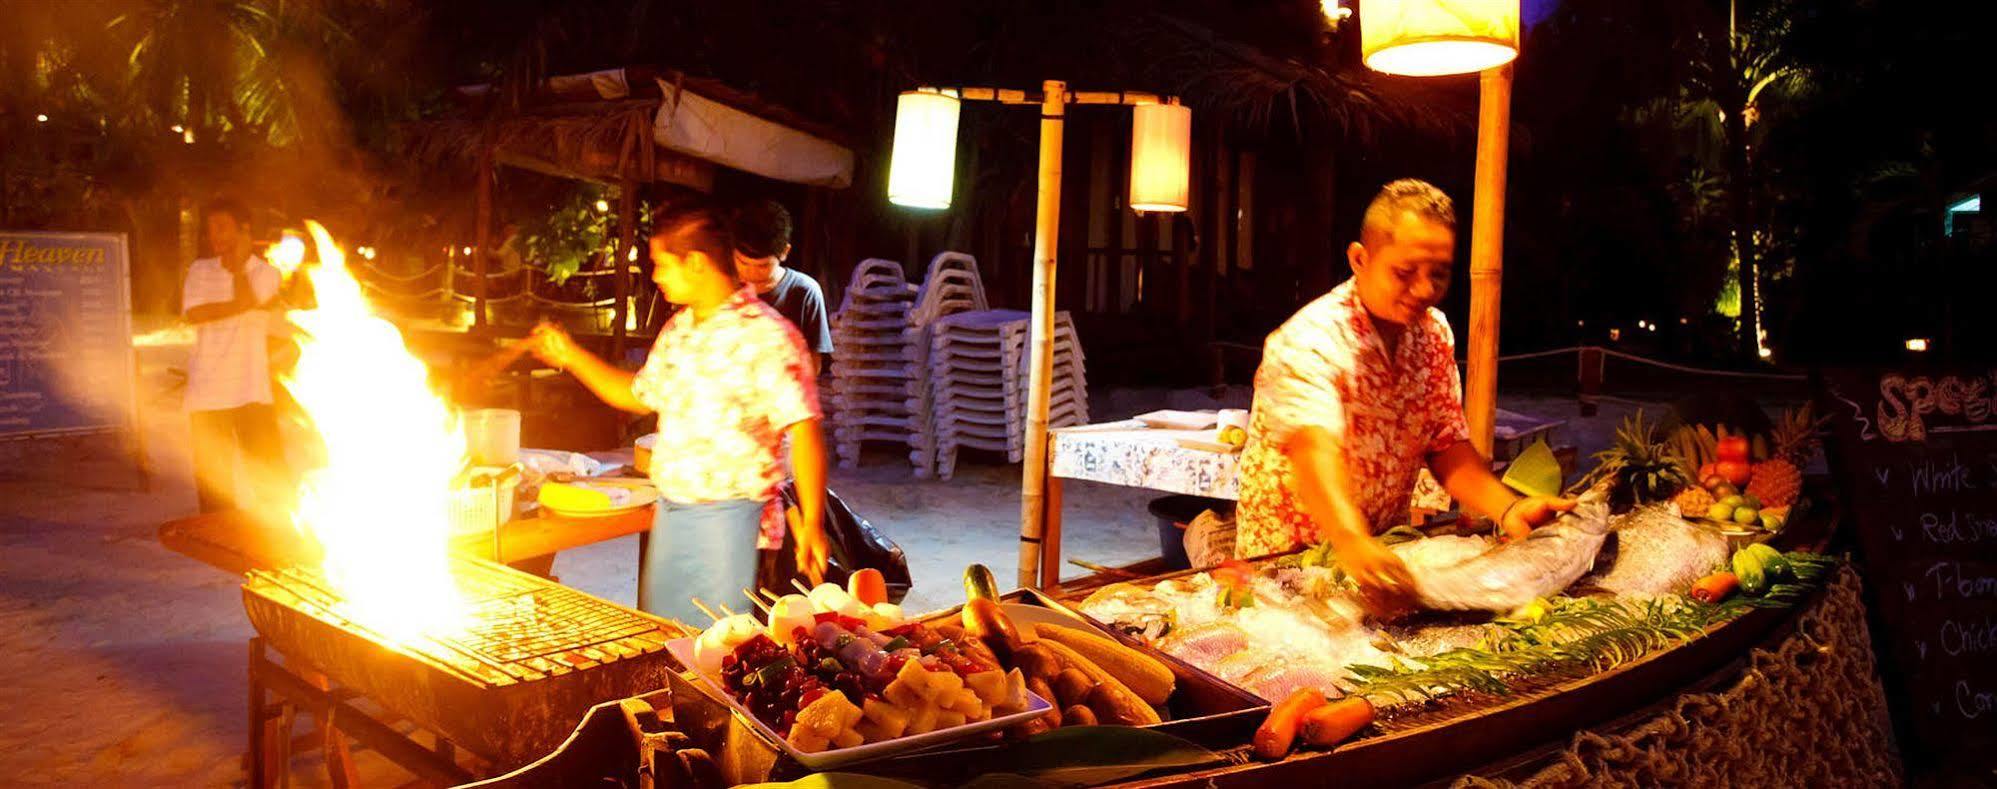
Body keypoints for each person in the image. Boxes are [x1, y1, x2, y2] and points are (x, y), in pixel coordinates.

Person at [1235, 179, 1575, 610]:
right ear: (1361, 259)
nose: (1424, 290)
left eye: (1439, 274)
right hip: (1285, 566)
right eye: (1404, 272)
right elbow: (1313, 450)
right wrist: (1349, 538)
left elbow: (1445, 443)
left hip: (1381, 559)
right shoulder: (1310, 340)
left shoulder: (1432, 335)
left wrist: (1508, 509)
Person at [526, 208, 830, 623]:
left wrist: (812, 521)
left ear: (696, 263)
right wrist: (571, 356)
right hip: (672, 511)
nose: (655, 276)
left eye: (660, 264)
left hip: (734, 521)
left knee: (721, 651)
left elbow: (805, 428)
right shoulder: (679, 332)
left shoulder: (769, 336)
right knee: (666, 639)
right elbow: (637, 395)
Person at [182, 197, 285, 515]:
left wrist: (239, 271)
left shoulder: (267, 273)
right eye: (210, 229)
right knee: (215, 487)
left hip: (252, 391)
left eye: (222, 227)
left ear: (244, 230)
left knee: (271, 481)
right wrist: (239, 306)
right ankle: (218, 548)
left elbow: (245, 301)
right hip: (207, 394)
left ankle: (279, 544)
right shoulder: (200, 270)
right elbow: (195, 315)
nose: (214, 236)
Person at [728, 200, 832, 375]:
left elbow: (813, 365)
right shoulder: (722, 288)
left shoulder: (805, 292)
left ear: (785, 252)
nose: (751, 273)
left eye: (763, 266)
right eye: (743, 263)